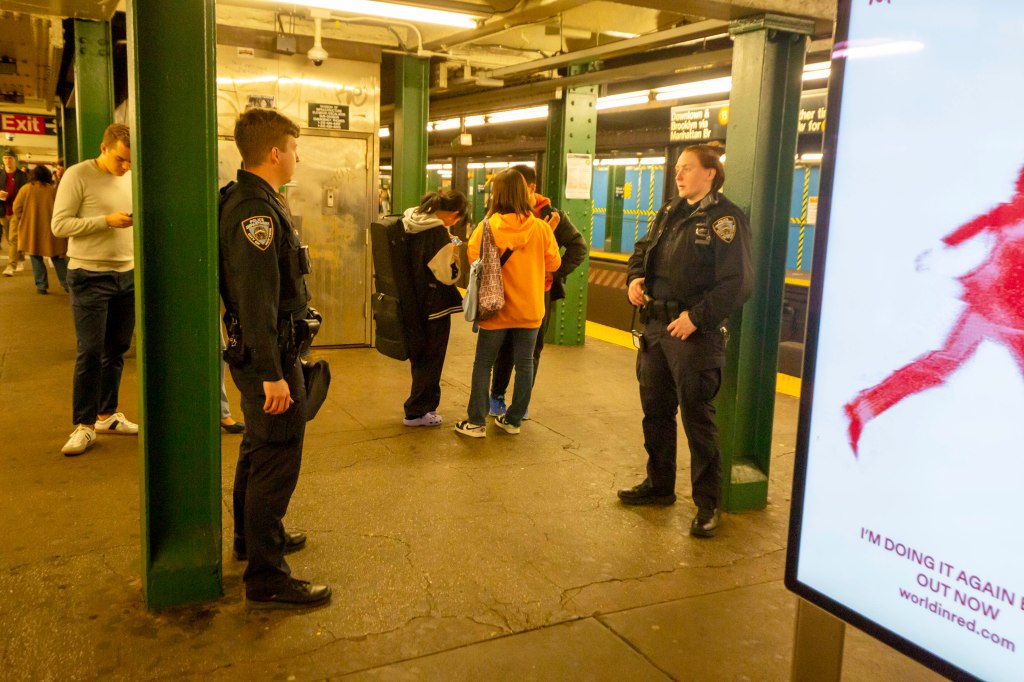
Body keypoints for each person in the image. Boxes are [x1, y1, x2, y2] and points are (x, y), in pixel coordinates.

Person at [219, 108, 330, 609]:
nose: (298, 156)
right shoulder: (255, 214)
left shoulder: (253, 200)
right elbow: (257, 297)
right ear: (274, 153)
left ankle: (251, 539)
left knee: (256, 451)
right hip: (271, 358)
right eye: (294, 147)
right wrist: (272, 375)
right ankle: (266, 578)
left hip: (270, 352)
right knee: (276, 461)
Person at [618, 144, 753, 539]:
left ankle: (708, 505)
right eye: (677, 169)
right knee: (655, 413)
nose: (679, 175)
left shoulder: (725, 220)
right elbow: (642, 250)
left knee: (698, 421)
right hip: (656, 330)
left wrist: (696, 318)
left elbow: (738, 283)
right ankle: (659, 486)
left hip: (694, 335)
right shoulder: (669, 211)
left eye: (688, 169)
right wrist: (634, 278)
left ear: (710, 173)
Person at [51, 124, 138, 457]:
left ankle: (106, 415)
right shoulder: (77, 175)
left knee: (116, 349)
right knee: (89, 350)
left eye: (130, 161)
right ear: (104, 149)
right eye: (120, 160)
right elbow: (59, 225)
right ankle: (83, 425)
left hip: (126, 274)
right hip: (89, 274)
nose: (125, 167)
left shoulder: (131, 175)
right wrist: (105, 221)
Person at [455, 168, 561, 437]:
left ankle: (476, 423)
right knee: (525, 363)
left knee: (484, 364)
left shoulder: (486, 227)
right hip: (530, 309)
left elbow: (472, 261)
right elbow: (554, 263)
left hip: (496, 308)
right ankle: (513, 420)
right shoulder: (540, 228)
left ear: (497, 195)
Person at [488, 164, 587, 419]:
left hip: (538, 291)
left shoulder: (552, 216)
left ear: (531, 188)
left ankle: (521, 403)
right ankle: (496, 395)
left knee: (532, 349)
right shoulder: (500, 212)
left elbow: (578, 247)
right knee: (505, 347)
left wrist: (555, 273)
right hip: (505, 289)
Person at [400, 190, 467, 427]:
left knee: (420, 356)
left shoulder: (410, 220)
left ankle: (417, 407)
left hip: (412, 302)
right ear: (454, 215)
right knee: (432, 358)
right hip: (433, 306)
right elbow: (449, 276)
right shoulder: (437, 233)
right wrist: (455, 254)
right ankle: (419, 411)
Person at [11, 165, 68, 294]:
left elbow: (16, 207)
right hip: (51, 230)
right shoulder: (52, 190)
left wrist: (24, 218)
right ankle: (66, 284)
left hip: (32, 229)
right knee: (57, 257)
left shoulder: (25, 189)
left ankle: (42, 286)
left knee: (35, 256)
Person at [1, 149, 28, 276]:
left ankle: (11, 266)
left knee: (13, 238)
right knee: (9, 237)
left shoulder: (21, 176)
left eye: (10, 158)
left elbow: (25, 194)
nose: (8, 161)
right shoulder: (0, 174)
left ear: (15, 160)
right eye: (5, 158)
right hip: (3, 211)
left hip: (16, 212)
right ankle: (20, 257)